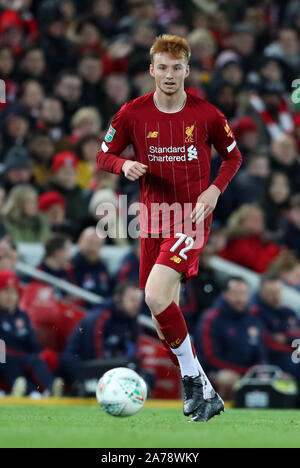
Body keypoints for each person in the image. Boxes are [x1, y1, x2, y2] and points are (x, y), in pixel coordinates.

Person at [96, 35, 243, 422]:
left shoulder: (207, 115)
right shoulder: (132, 113)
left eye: (177, 68)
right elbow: (103, 153)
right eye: (162, 67)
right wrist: (122, 166)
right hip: (152, 220)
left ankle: (193, 382)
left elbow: (233, 157)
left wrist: (214, 190)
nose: (169, 74)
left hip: (190, 218)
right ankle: (205, 391)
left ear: (187, 71)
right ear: (151, 70)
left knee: (156, 294)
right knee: (163, 318)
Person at [59, 280, 143, 384]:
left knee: (146, 377)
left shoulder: (134, 321)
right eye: (132, 300)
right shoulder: (98, 317)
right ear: (117, 298)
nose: (137, 305)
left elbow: (133, 356)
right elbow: (95, 356)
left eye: (139, 301)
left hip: (109, 367)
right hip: (82, 363)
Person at [196, 277, 265, 400]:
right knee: (228, 380)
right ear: (225, 295)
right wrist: (243, 373)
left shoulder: (254, 318)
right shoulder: (211, 318)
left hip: (246, 372)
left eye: (243, 294)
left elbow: (261, 352)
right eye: (235, 294)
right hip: (213, 372)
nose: (240, 299)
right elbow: (210, 358)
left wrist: (258, 371)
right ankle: (219, 412)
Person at [0, 270, 63, 397]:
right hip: (4, 357)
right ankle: (28, 391)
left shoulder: (22, 316)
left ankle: (49, 389)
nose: (10, 296)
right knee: (6, 359)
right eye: (6, 291)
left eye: (13, 292)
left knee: (37, 359)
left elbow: (32, 344)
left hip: (23, 356)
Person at [250, 275, 300, 380]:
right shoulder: (254, 312)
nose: (275, 296)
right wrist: (291, 341)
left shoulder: (287, 311)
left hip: (293, 352)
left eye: (277, 292)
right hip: (274, 358)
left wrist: (287, 337)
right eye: (270, 292)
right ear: (261, 292)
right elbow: (267, 341)